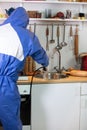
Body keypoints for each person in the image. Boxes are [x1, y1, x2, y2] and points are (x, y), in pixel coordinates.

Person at [0, 7, 49, 130]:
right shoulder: (26, 35)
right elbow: (40, 54)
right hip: (4, 84)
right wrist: (45, 63)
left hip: (5, 79)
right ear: (25, 21)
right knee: (11, 121)